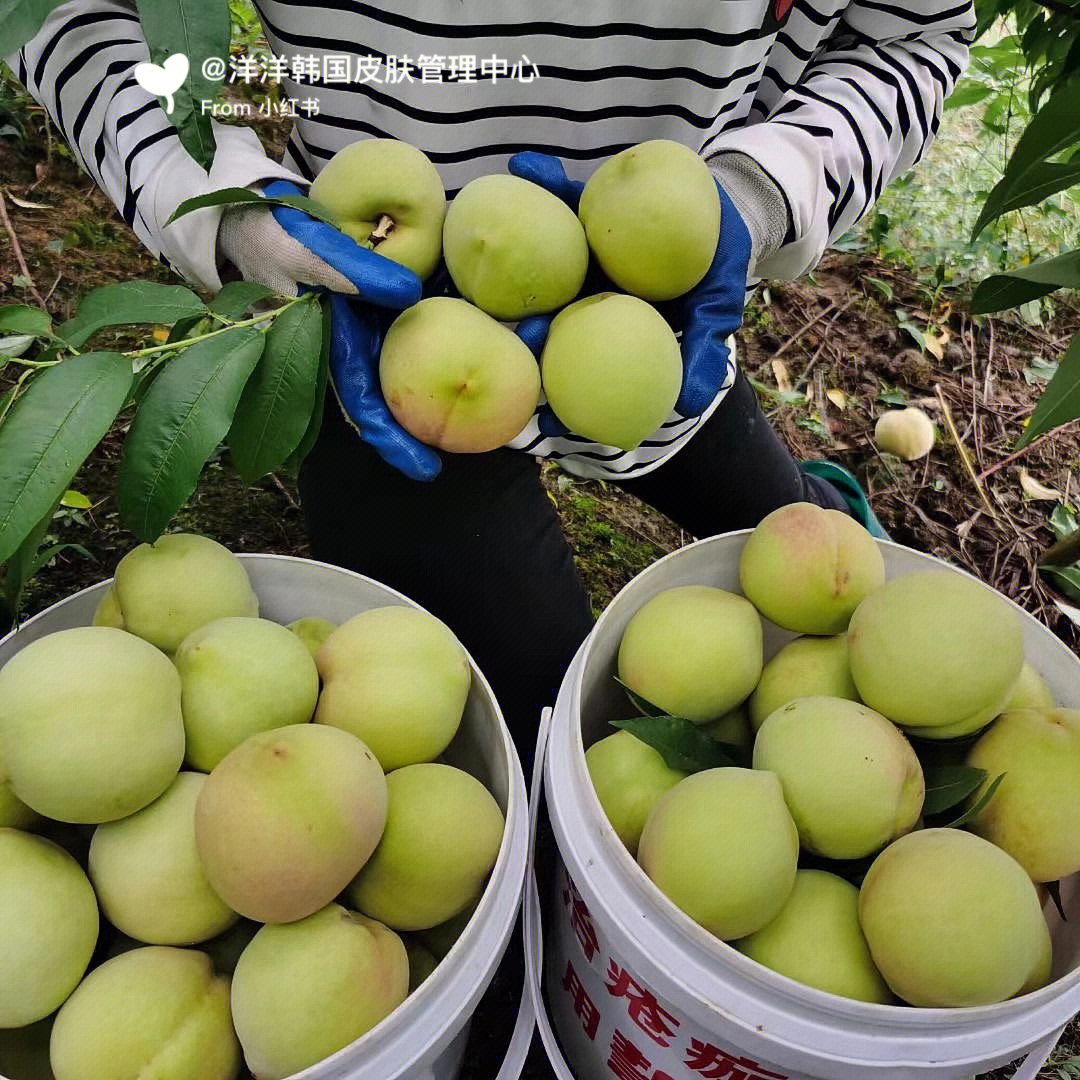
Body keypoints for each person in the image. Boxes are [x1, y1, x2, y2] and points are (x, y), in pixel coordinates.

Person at [9, 0, 975, 758]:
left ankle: (807, 496)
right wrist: (218, 203)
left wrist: (766, 190)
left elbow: (913, 31)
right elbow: (65, 11)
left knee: (808, 548)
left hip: (661, 337)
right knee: (553, 730)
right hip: (381, 347)